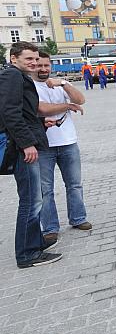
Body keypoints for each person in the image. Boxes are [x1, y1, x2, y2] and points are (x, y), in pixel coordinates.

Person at [0, 42, 63, 268]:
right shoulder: (12, 76)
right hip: (22, 149)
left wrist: (40, 122)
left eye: (36, 59)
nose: (35, 63)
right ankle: (27, 254)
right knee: (31, 200)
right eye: (29, 59)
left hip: (26, 142)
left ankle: (35, 242)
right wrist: (27, 144)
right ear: (14, 58)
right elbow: (9, 113)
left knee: (33, 198)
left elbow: (22, 113)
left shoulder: (18, 76)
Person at [33, 52, 91, 246]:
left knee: (74, 184)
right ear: (33, 66)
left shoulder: (59, 84)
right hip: (43, 146)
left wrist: (64, 84)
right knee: (45, 190)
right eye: (38, 65)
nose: (42, 69)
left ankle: (78, 218)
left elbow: (80, 99)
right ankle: (50, 228)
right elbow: (41, 109)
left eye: (46, 65)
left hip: (68, 142)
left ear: (51, 66)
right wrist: (67, 105)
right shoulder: (29, 86)